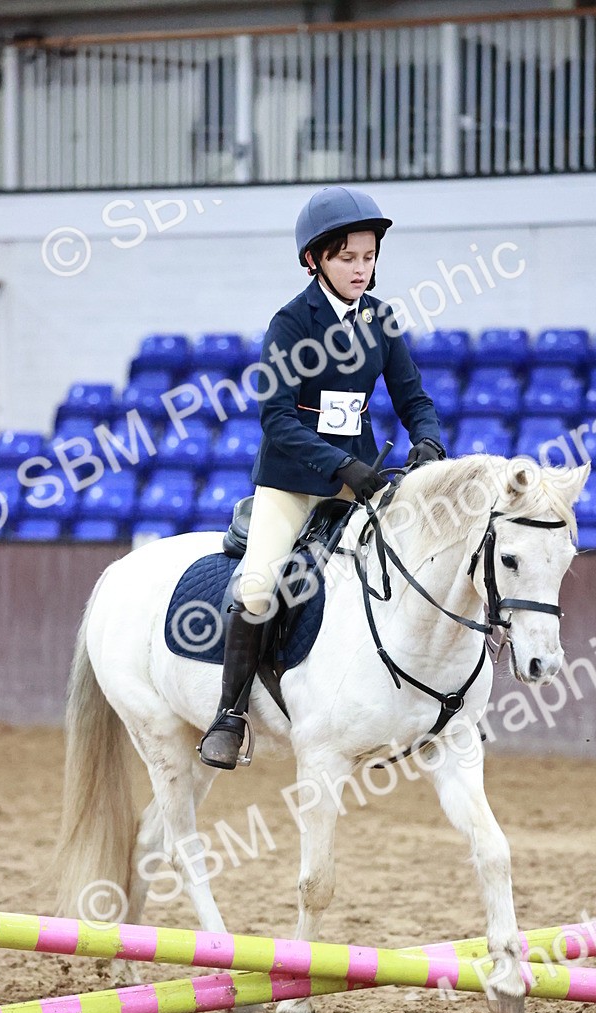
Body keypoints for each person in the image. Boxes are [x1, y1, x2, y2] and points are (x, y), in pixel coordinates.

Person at [198, 185, 446, 770]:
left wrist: (429, 440)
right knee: (258, 587)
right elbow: (276, 419)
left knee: (417, 563)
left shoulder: (380, 321)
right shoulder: (290, 323)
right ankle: (230, 716)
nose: (361, 269)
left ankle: (422, 708)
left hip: (358, 481)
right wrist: (342, 467)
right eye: (347, 258)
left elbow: (414, 398)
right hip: (292, 483)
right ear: (315, 260)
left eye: (368, 257)